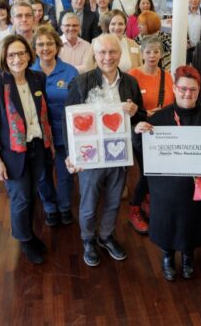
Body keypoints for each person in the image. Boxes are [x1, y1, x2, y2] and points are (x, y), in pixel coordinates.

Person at [134, 65, 201, 281]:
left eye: (192, 89)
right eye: (183, 89)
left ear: (199, 90)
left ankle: (188, 255)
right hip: (166, 187)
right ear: (174, 88)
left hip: (197, 187)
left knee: (193, 223)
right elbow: (142, 149)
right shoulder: (159, 118)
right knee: (167, 222)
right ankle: (167, 256)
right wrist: (137, 133)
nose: (187, 93)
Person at [65, 33, 145, 267]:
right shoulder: (81, 82)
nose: (107, 57)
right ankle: (88, 239)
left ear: (120, 54)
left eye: (112, 52)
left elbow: (139, 116)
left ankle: (106, 236)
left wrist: (135, 112)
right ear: (95, 54)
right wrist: (71, 154)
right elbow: (68, 120)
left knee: (113, 202)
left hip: (118, 154)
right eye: (102, 52)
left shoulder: (130, 82)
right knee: (89, 204)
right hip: (90, 156)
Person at [0, 34, 54, 265]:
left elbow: (43, 114)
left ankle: (29, 234)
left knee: (32, 195)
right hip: (11, 153)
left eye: (21, 53)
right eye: (11, 55)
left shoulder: (38, 78)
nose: (17, 59)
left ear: (28, 55)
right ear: (4, 58)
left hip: (37, 147)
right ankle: (24, 240)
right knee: (20, 198)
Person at [30, 26, 79, 227]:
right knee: (42, 175)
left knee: (65, 172)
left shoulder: (70, 71)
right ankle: (49, 207)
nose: (45, 48)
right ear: (34, 48)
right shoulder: (28, 72)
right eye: (40, 44)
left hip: (64, 132)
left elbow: (78, 104)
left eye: (50, 43)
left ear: (57, 46)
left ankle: (65, 206)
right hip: (37, 134)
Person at [127, 35, 175, 234]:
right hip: (141, 131)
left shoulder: (168, 76)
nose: (152, 55)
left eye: (156, 52)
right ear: (142, 53)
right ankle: (134, 208)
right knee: (149, 171)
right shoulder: (132, 76)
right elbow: (128, 107)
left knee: (159, 170)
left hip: (163, 132)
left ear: (161, 54)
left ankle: (147, 200)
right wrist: (145, 113)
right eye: (148, 51)